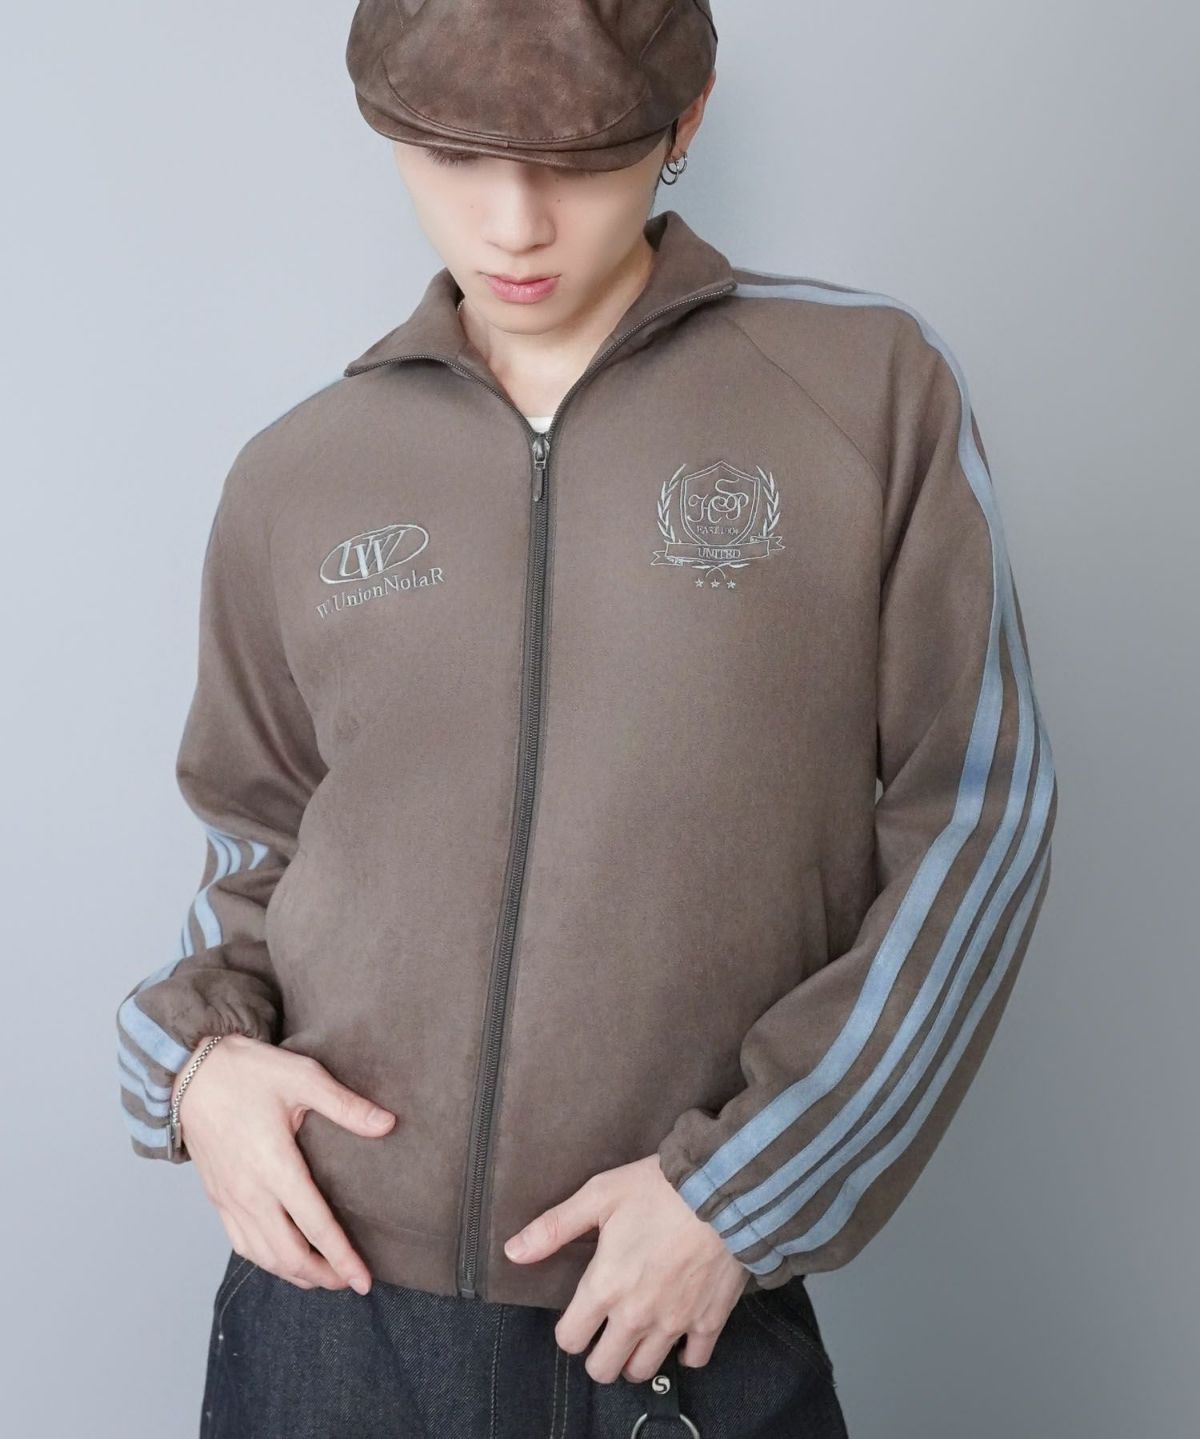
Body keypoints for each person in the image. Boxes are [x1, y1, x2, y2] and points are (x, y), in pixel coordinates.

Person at [114, 2, 1058, 1435]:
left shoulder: (864, 390)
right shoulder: (299, 468)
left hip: (677, 1305)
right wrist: (194, 1072)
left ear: (686, 121)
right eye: (452, 157)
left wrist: (751, 1191)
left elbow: (979, 817)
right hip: (324, 1317)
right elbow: (252, 842)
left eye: (581, 160)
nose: (514, 225)